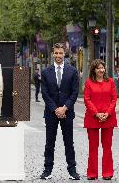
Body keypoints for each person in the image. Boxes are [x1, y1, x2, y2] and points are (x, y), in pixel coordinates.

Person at [40, 43, 80, 180]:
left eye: (60, 53)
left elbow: (75, 92)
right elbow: (44, 93)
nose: (58, 55)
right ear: (53, 54)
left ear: (65, 54)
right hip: (51, 113)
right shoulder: (45, 72)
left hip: (67, 112)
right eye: (56, 53)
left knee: (69, 142)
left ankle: (72, 170)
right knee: (49, 142)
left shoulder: (72, 71)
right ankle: (47, 170)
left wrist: (65, 107)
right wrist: (55, 109)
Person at [83, 59, 117, 180]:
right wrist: (97, 114)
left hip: (109, 118)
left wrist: (107, 113)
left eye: (102, 68)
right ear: (94, 70)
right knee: (93, 147)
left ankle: (107, 173)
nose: (101, 70)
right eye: (98, 68)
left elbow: (114, 98)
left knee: (107, 147)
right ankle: (92, 173)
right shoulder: (88, 83)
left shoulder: (111, 82)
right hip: (93, 118)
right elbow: (87, 99)